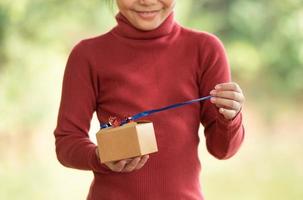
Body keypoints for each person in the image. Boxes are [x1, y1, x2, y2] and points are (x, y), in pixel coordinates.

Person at [54, 0, 245, 199]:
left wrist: (230, 118)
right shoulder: (87, 55)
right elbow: (67, 143)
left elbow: (223, 150)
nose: (146, 1)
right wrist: (98, 157)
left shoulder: (206, 49)